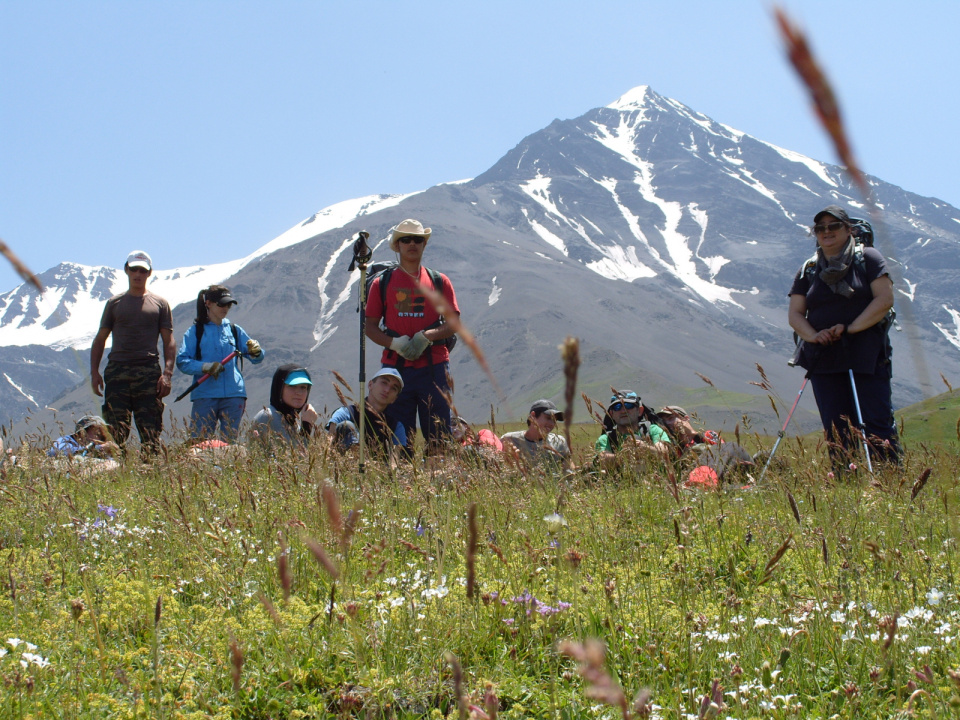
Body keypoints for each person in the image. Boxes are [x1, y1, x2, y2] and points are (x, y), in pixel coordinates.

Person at [788, 205, 901, 468]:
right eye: (820, 228)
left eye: (834, 226)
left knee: (876, 421)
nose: (826, 232)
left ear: (848, 229)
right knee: (835, 427)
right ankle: (844, 479)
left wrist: (850, 328)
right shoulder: (809, 268)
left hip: (866, 355)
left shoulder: (869, 258)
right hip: (824, 358)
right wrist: (814, 336)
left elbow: (884, 299)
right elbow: (795, 314)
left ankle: (888, 479)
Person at [364, 219, 460, 456]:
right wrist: (394, 343)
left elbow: (453, 323)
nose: (412, 244)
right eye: (405, 239)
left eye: (417, 239)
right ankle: (403, 476)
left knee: (439, 438)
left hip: (435, 367)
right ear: (397, 245)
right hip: (395, 371)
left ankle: (439, 476)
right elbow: (370, 327)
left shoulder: (439, 281)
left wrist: (427, 336)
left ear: (424, 244)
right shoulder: (381, 283)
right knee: (398, 437)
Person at [90, 250, 176, 456]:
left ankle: (151, 469)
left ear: (149, 273)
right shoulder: (114, 303)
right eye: (134, 269)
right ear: (126, 270)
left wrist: (167, 374)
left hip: (148, 372)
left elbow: (169, 341)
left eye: (142, 270)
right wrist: (94, 372)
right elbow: (100, 339)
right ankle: (113, 469)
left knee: (150, 430)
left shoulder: (160, 304)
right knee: (115, 430)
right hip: (117, 371)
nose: (138, 274)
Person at [176, 285, 265, 441]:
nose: (226, 308)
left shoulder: (234, 330)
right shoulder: (195, 332)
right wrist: (205, 367)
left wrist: (257, 352)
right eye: (221, 304)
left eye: (229, 305)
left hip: (234, 394)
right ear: (208, 303)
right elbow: (182, 361)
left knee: (229, 442)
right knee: (200, 442)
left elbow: (256, 358)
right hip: (205, 395)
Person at [326, 367, 407, 467]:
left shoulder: (396, 427)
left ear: (394, 399)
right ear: (370, 385)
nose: (387, 390)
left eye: (393, 388)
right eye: (384, 383)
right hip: (343, 471)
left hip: (377, 474)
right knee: (346, 426)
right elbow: (327, 447)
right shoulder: (346, 413)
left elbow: (394, 464)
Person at [657, 405, 753, 487]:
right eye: (664, 422)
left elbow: (724, 452)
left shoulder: (707, 436)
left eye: (671, 418)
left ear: (685, 418)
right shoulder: (673, 447)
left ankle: (702, 481)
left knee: (729, 446)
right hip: (693, 479)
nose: (668, 423)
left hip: (722, 473)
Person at [594, 392, 672, 471]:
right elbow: (602, 460)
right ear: (611, 414)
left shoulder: (652, 430)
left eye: (629, 406)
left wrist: (645, 448)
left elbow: (664, 451)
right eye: (617, 407)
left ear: (640, 410)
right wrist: (624, 456)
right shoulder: (606, 439)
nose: (623, 411)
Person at [249, 365, 320, 449]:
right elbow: (295, 455)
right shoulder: (268, 417)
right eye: (292, 386)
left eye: (303, 387)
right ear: (279, 388)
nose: (299, 392)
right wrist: (307, 426)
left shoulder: (292, 423)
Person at [501, 400, 571, 471]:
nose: (552, 424)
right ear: (533, 415)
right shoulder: (509, 440)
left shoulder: (559, 442)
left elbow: (569, 470)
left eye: (554, 420)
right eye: (548, 418)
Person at [48, 415, 119, 458]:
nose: (102, 435)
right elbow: (55, 451)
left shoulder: (100, 448)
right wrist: (99, 448)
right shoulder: (67, 440)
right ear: (83, 432)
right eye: (97, 432)